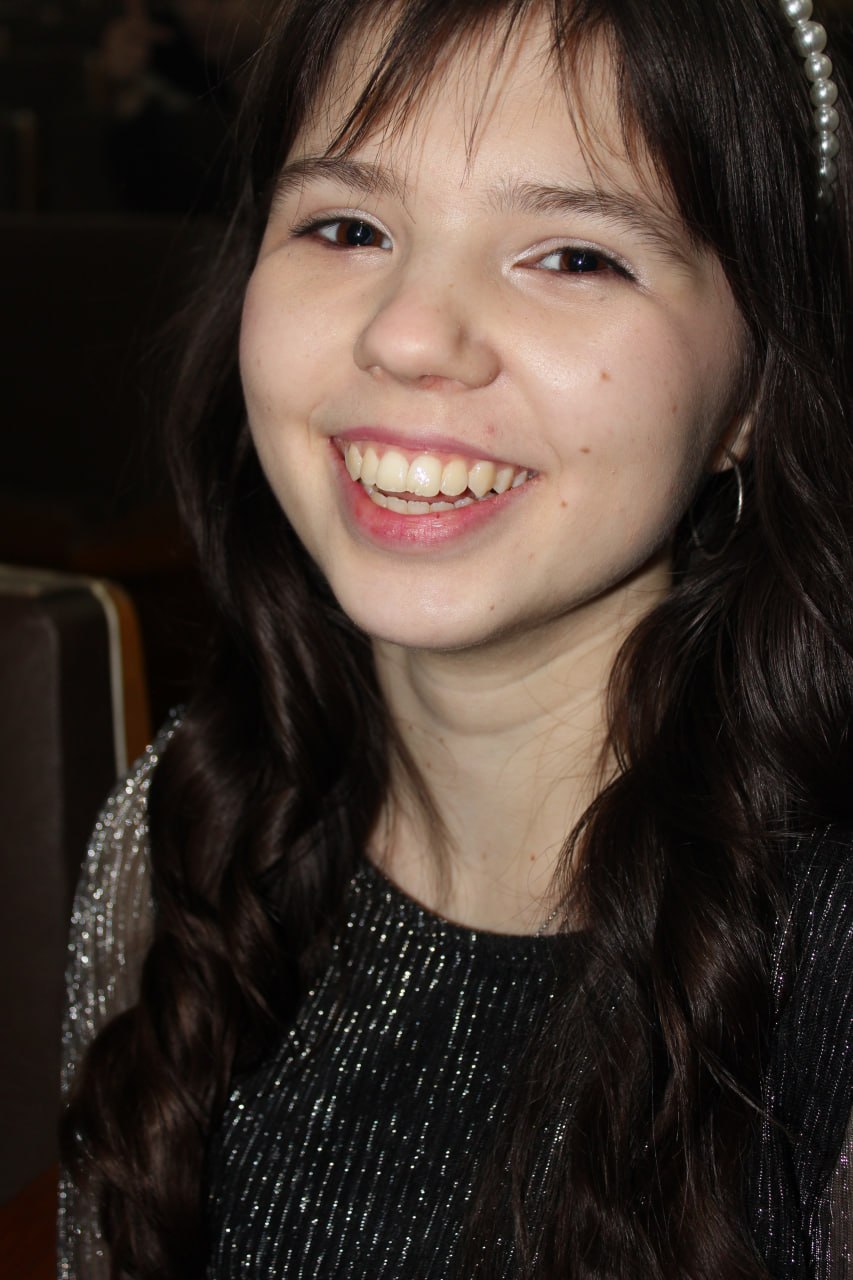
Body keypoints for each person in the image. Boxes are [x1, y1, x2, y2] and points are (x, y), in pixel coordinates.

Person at [59, 0, 853, 1276]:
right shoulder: (181, 845)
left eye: (573, 255)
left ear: (752, 391)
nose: (408, 334)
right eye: (347, 227)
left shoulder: (827, 982)